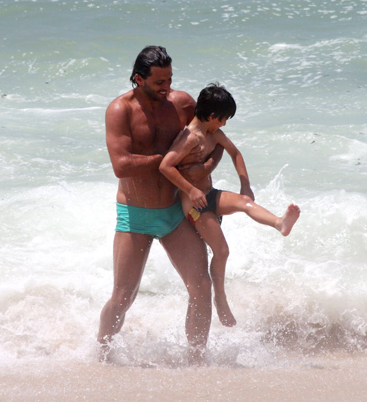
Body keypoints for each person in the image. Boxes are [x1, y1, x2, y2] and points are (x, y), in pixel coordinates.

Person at [98, 46, 227, 362]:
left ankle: (196, 359)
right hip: (135, 214)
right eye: (159, 82)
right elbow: (121, 165)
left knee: (200, 285)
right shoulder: (120, 111)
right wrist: (167, 162)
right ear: (139, 79)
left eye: (170, 79)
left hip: (174, 211)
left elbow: (217, 137)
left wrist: (205, 169)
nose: (166, 87)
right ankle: (101, 357)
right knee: (123, 295)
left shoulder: (182, 104)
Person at [159, 83, 300, 327]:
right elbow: (165, 166)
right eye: (224, 119)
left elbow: (236, 154)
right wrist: (191, 190)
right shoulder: (189, 138)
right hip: (194, 205)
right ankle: (220, 300)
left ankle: (279, 223)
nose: (224, 125)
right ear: (213, 116)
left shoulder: (214, 134)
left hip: (210, 194)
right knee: (222, 251)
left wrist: (245, 185)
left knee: (245, 202)